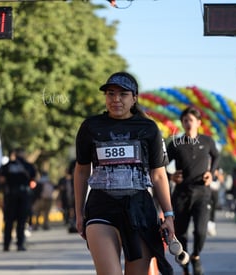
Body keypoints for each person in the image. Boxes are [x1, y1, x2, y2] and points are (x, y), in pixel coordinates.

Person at [73, 71, 174, 275]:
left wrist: (169, 215)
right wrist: (78, 213)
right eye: (110, 94)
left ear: (134, 98)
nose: (116, 99)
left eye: (123, 94)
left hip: (139, 211)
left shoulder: (149, 129)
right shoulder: (91, 127)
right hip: (101, 208)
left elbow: (159, 175)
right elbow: (82, 171)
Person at [167, 106, 220, 275]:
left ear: (198, 123)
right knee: (181, 233)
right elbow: (160, 164)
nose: (188, 123)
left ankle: (196, 256)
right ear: (182, 123)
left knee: (201, 231)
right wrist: (171, 176)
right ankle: (185, 267)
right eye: (185, 121)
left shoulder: (207, 141)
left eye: (191, 120)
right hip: (181, 194)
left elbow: (217, 156)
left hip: (202, 193)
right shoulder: (176, 143)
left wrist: (211, 174)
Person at [0, 148, 36, 251]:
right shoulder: (27, 166)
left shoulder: (7, 166)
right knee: (21, 221)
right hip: (23, 195)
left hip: (11, 195)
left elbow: (1, 180)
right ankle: (20, 244)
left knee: (9, 221)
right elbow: (33, 179)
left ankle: (6, 244)